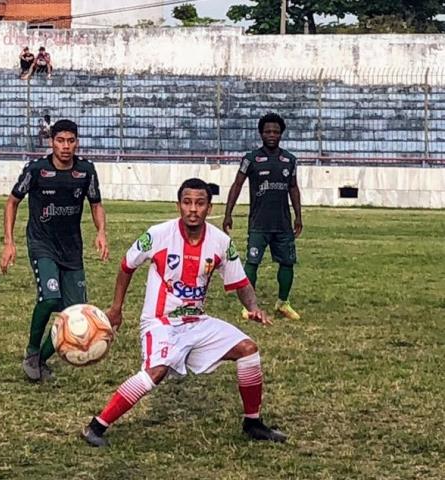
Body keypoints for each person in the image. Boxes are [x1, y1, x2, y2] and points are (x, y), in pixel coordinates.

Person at [81, 178, 287, 448]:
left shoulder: (221, 242)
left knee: (248, 349)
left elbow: (240, 282)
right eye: (187, 202)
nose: (193, 209)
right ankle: (96, 426)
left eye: (200, 203)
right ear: (178, 205)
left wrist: (253, 308)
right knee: (157, 371)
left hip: (196, 321)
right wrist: (116, 308)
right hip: (160, 322)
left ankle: (253, 423)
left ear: (209, 207)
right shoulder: (158, 234)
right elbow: (126, 266)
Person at [0, 119, 109, 382]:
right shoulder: (37, 169)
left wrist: (101, 232)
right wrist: (9, 242)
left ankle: (41, 361)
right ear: (52, 142)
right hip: (42, 243)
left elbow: (96, 204)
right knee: (50, 297)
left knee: (74, 312)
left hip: (72, 248)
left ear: (77, 143)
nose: (65, 146)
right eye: (60, 141)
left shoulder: (86, 171)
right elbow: (12, 202)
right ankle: (32, 351)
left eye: (71, 141)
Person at [223, 113, 303, 321]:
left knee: (287, 263)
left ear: (281, 134)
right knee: (252, 262)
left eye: (276, 132)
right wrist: (228, 213)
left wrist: (298, 216)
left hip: (283, 223)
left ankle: (283, 303)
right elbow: (237, 185)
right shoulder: (251, 159)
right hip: (259, 222)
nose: (271, 135)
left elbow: (293, 188)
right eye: (267, 131)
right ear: (260, 133)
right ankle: (249, 306)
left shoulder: (290, 160)